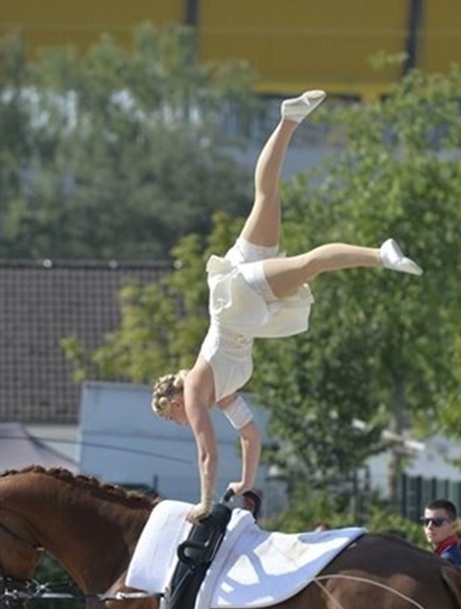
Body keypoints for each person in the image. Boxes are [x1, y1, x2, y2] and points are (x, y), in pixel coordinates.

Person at [151, 89, 423, 523]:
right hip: (239, 294)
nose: (180, 421)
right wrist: (245, 482)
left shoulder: (198, 390)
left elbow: (207, 452)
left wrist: (203, 503)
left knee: (308, 263)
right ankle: (289, 119)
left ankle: (380, 254)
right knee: (267, 196)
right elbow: (251, 436)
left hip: (239, 301)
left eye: (173, 416)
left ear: (176, 399)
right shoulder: (222, 394)